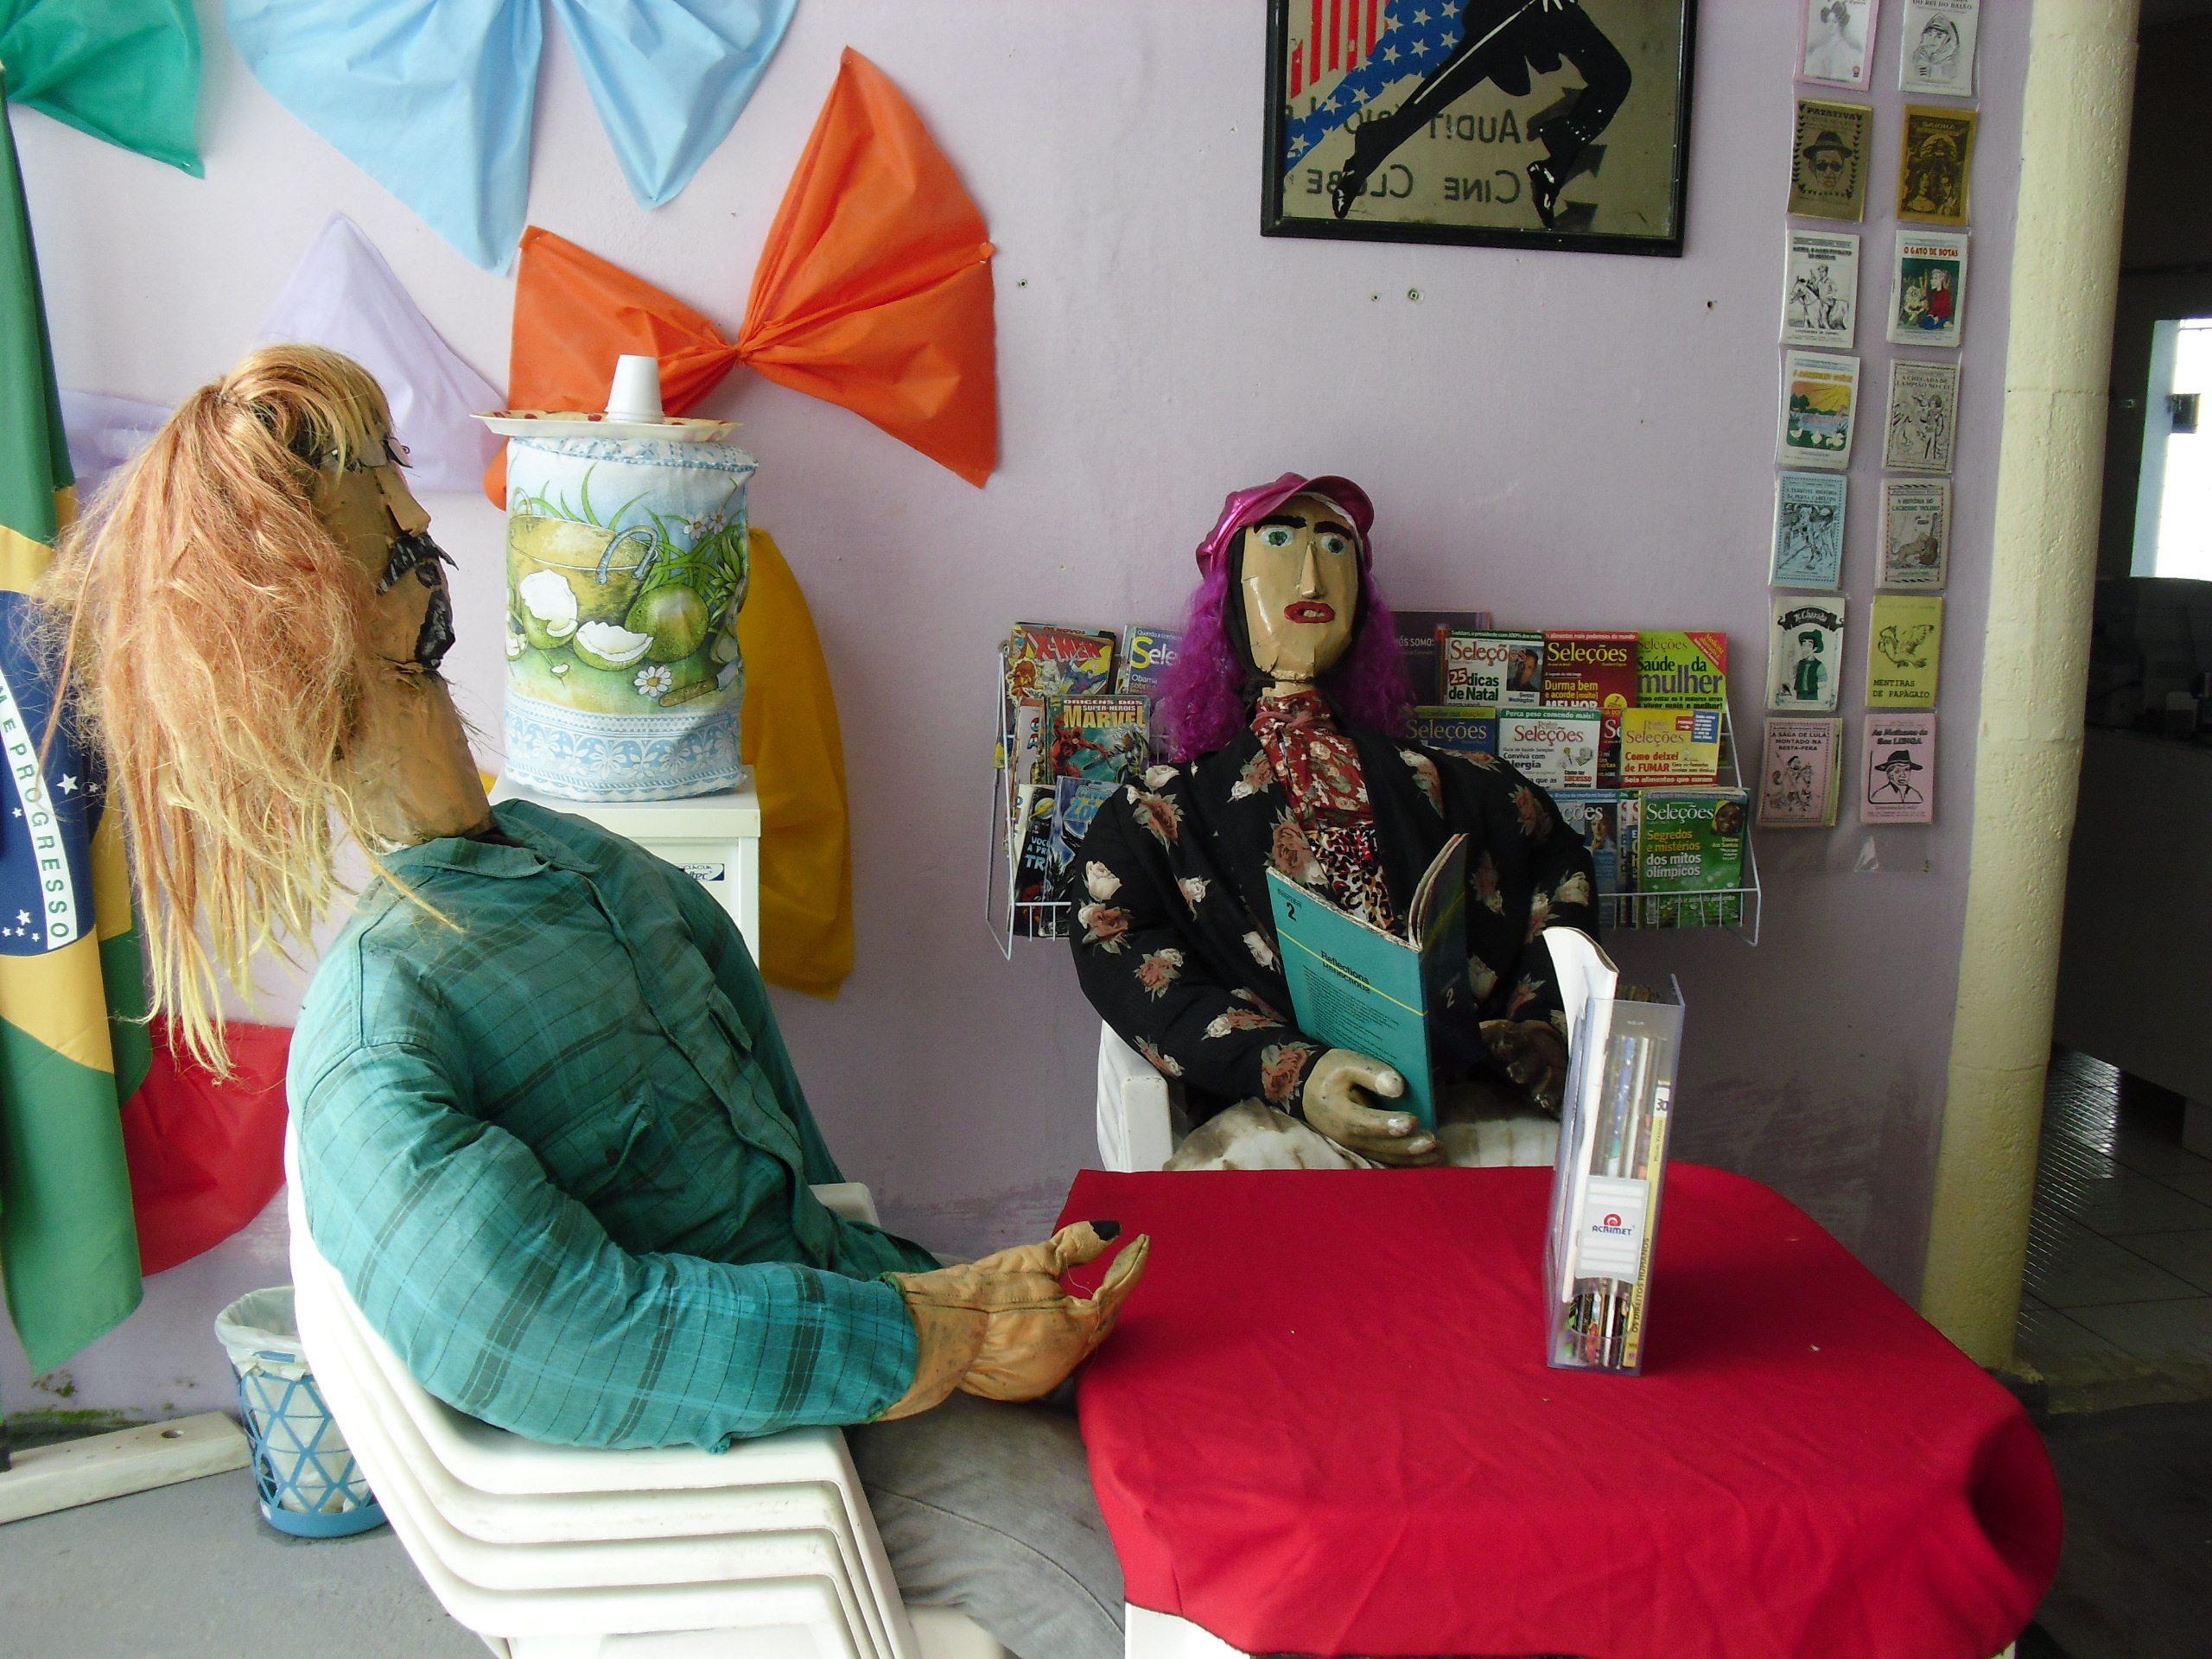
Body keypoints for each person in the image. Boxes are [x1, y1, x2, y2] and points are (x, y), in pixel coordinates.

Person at [40, 346, 1145, 1659]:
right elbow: (543, 1329)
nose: (412, 507)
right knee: (1179, 1601)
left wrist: (960, 1296)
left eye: (391, 462)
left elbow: (797, 1185)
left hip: (876, 1364)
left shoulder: (599, 867)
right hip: (788, 1480)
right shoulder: (381, 1038)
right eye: (361, 483)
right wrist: (926, 1337)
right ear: (291, 612)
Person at [1067, 474, 1598, 1171]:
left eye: (1335, 547)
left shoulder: (1470, 787)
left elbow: (1560, 873)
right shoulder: (1158, 816)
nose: (1311, 577)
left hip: (1463, 1108)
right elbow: (1114, 940)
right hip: (1271, 1123)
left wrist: (1541, 1026)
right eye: (1278, 542)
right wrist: (1289, 1069)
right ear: (1228, 598)